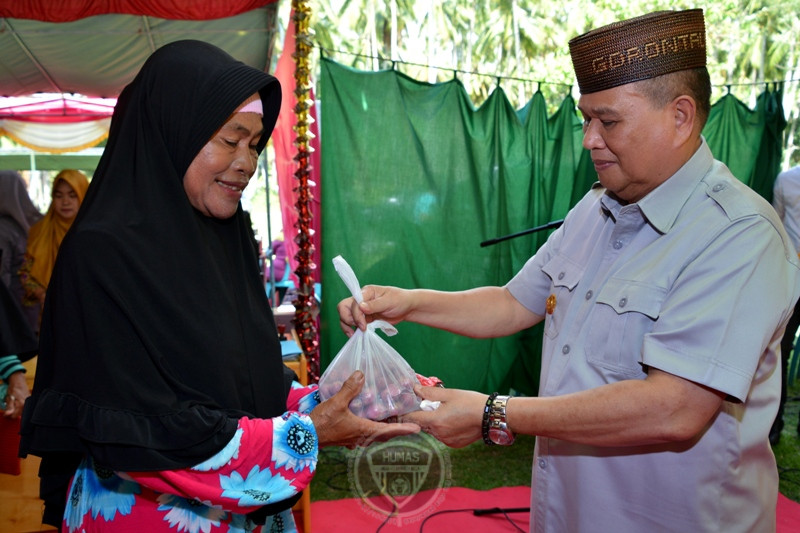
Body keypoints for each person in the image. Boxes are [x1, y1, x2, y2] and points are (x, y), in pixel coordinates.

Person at [338, 9, 800, 532]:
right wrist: (410, 302)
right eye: (586, 119)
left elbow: (675, 407)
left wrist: (493, 412)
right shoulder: (597, 207)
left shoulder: (738, 234)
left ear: (681, 117)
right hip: (569, 511)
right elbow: (515, 303)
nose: (589, 139)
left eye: (609, 121)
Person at [19, 40, 418, 532]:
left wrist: (339, 398)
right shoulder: (104, 256)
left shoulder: (223, 239)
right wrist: (309, 432)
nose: (247, 163)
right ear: (174, 131)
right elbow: (142, 435)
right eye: (230, 141)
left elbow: (246, 384)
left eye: (254, 144)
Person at [18, 169, 90, 332]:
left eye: (72, 195)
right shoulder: (38, 232)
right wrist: (43, 294)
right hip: (46, 317)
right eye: (59, 195)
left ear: (84, 195)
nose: (65, 202)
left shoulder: (94, 235)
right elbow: (25, 272)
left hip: (85, 315)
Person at [770, 164, 800, 444]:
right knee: (780, 350)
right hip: (793, 277)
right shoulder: (787, 179)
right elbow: (777, 224)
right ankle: (774, 425)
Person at [0, 170, 42, 333]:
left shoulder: (3, 230)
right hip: (35, 305)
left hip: (14, 309)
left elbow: (3, 276)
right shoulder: (34, 223)